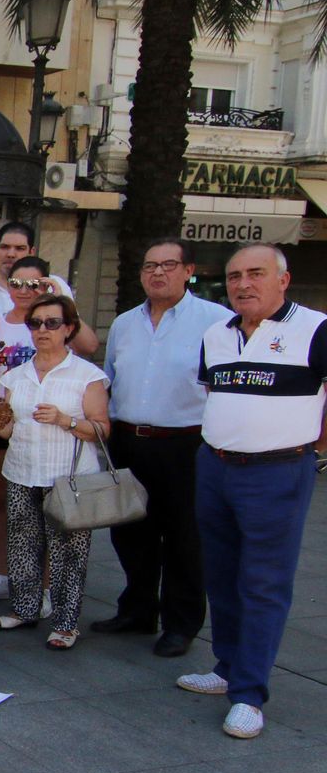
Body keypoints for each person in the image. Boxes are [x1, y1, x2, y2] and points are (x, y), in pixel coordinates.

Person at [176, 244, 327, 739]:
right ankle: (226, 668)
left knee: (263, 583)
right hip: (216, 466)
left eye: (256, 274)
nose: (243, 284)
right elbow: (214, 395)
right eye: (236, 275)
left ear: (283, 279)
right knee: (220, 574)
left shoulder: (315, 328)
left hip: (278, 472)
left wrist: (310, 447)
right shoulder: (215, 334)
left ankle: (249, 694)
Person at [96, 238, 230, 657]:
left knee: (184, 539)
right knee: (130, 531)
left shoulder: (217, 321)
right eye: (150, 265)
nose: (158, 273)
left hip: (186, 444)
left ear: (188, 270)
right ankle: (137, 610)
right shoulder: (124, 323)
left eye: (168, 265)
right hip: (130, 440)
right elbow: (110, 378)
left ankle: (180, 623)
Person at [0, 294, 110, 650]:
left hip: (68, 477)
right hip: (22, 471)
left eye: (51, 323)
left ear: (69, 328)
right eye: (35, 323)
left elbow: (103, 429)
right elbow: (9, 430)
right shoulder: (17, 376)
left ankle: (65, 622)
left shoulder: (87, 375)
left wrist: (67, 420)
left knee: (69, 554)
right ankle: (26, 608)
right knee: (22, 546)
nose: (42, 330)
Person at [0, 256, 96, 604]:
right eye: (17, 283)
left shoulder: (56, 318)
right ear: (6, 285)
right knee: (5, 505)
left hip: (53, 430)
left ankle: (45, 590)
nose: (24, 290)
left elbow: (89, 346)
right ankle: (4, 574)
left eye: (34, 284)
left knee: (52, 515)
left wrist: (60, 296)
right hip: (6, 419)